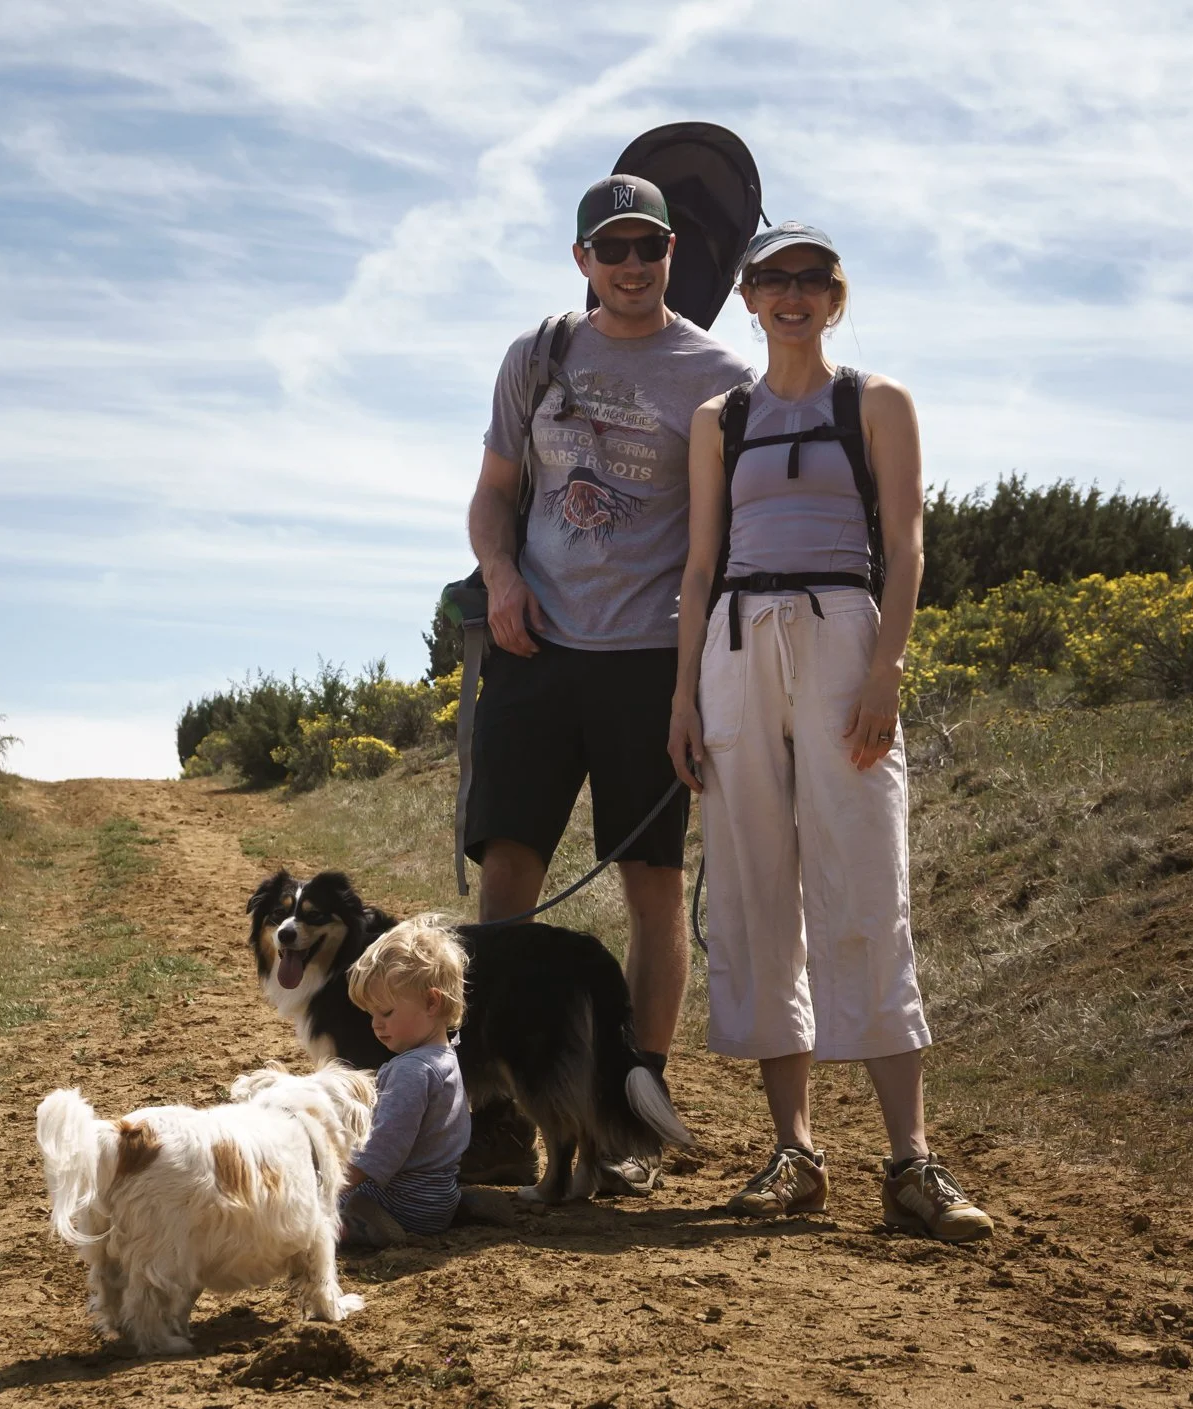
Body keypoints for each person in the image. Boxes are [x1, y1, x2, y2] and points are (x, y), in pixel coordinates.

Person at [666, 221, 992, 1242]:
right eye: (772, 280)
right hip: (732, 641)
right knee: (755, 880)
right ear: (749, 298)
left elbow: (904, 544)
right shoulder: (717, 418)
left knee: (862, 876)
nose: (792, 294)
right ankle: (794, 1153)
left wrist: (885, 670)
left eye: (811, 279)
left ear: (833, 297)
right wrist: (682, 695)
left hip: (843, 631)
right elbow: (698, 562)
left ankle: (909, 1160)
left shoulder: (876, 401)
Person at [464, 174, 752, 1192]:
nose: (631, 266)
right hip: (534, 654)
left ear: (674, 252)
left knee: (654, 896)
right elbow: (494, 497)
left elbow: (723, 540)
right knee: (506, 881)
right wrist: (501, 578)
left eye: (649, 247)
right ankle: (489, 1112)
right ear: (580, 259)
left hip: (646, 664)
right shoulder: (536, 355)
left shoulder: (718, 375)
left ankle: (630, 1114)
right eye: (611, 248)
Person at [337, 917, 472, 1246]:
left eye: (386, 1013)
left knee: (318, 1219)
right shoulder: (446, 1057)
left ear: (431, 1002)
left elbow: (385, 1146)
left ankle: (372, 1225)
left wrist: (340, 1181)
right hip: (437, 1196)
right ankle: (463, 1206)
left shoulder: (411, 1070)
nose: (375, 1025)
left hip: (401, 1202)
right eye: (371, 1014)